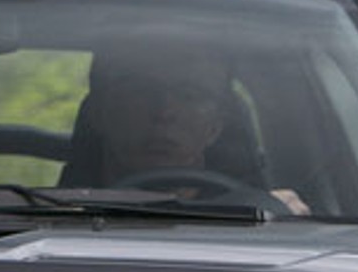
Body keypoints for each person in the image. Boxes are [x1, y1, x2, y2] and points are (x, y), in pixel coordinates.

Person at [64, 37, 309, 211]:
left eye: (190, 95)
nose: (164, 111)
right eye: (140, 91)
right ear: (98, 112)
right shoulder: (49, 219)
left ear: (216, 127)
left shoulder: (263, 223)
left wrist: (282, 218)